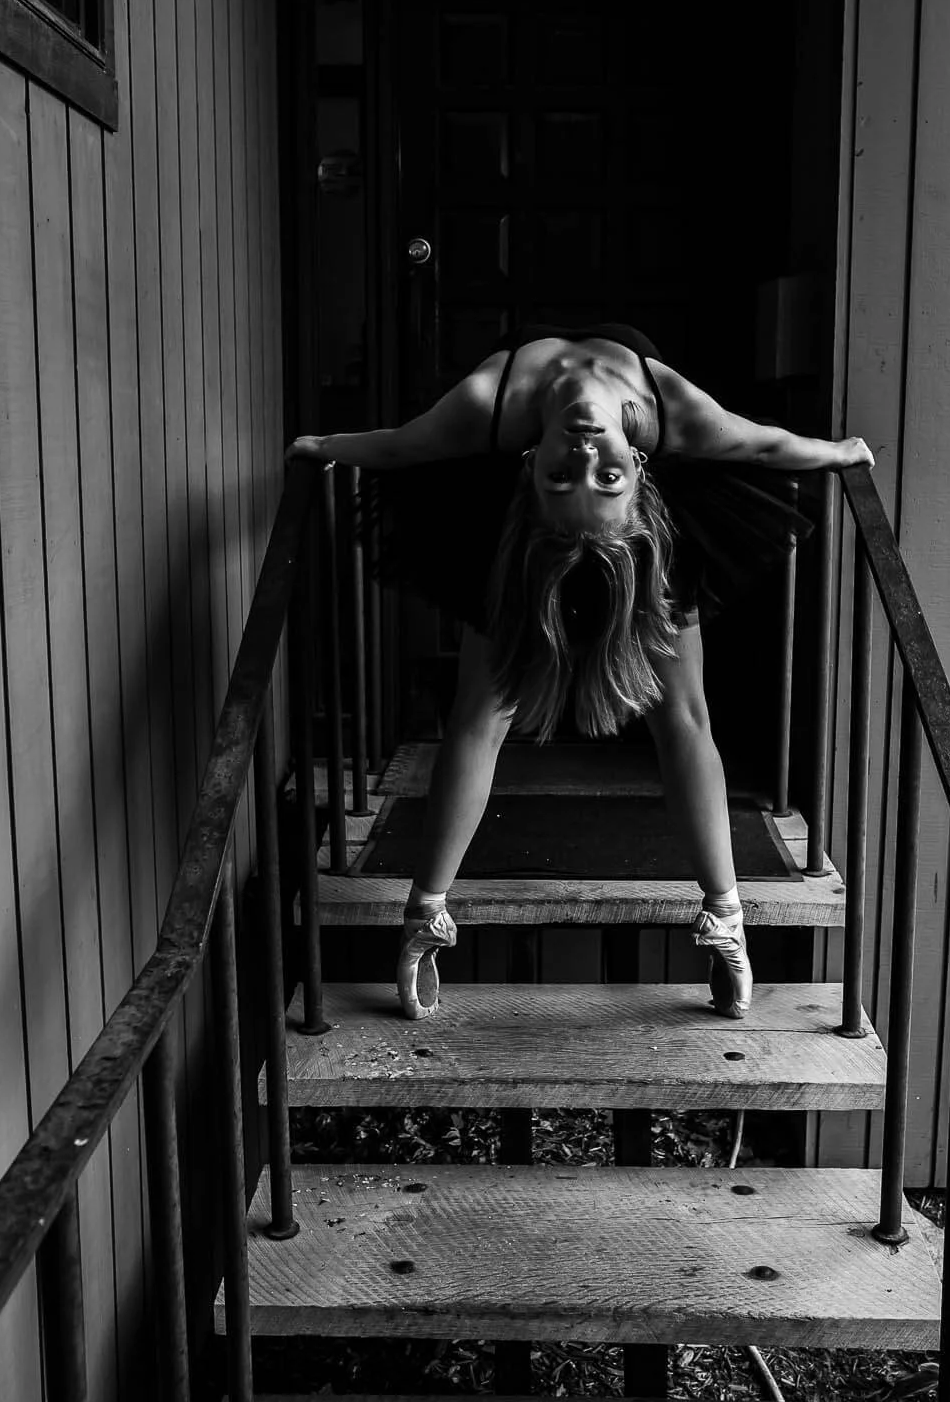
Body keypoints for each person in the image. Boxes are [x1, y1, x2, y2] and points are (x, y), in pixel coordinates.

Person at [287, 324, 872, 1024]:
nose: (585, 451)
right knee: (483, 713)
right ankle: (425, 917)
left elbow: (396, 445)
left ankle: (725, 919)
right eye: (579, 472)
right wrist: (322, 448)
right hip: (524, 536)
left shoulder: (500, 408)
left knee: (681, 713)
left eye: (588, 473)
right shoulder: (658, 413)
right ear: (530, 464)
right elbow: (765, 444)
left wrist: (841, 454)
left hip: (633, 537)